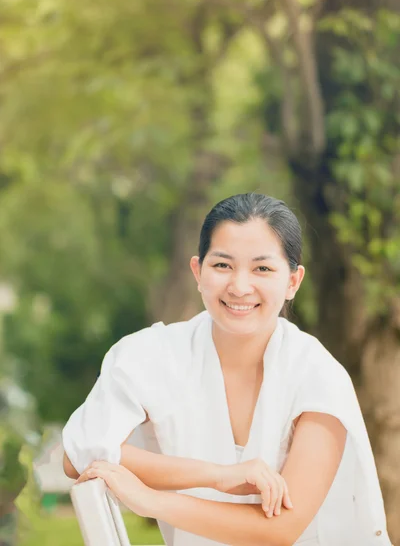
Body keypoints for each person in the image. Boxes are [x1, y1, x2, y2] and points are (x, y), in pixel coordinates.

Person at [62, 193, 392, 546]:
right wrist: (219, 476)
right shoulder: (152, 354)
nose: (239, 286)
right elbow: (78, 454)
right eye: (222, 265)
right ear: (197, 271)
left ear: (293, 282)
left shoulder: (318, 375)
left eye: (262, 268)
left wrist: (151, 499)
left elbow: (279, 530)